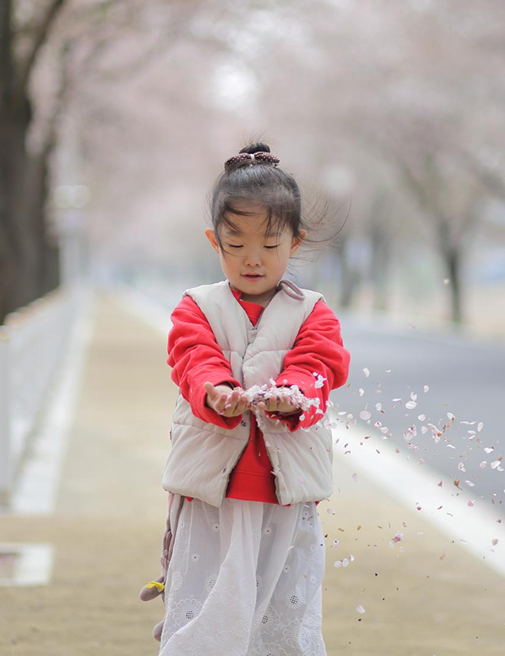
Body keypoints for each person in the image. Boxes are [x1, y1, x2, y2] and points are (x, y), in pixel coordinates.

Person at [138, 141, 351, 655]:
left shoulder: (313, 312)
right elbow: (193, 359)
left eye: (270, 244)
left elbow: (319, 366)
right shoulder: (197, 307)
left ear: (295, 242)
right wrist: (218, 392)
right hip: (213, 494)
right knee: (204, 607)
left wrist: (293, 396)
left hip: (283, 497)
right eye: (236, 245)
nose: (253, 259)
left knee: (285, 612)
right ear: (215, 242)